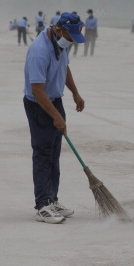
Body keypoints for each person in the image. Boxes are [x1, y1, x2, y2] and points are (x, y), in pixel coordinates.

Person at [23, 12, 85, 224]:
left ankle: (53, 198)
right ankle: (42, 205)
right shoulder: (39, 52)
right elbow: (37, 90)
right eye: (71, 37)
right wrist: (56, 116)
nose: (72, 41)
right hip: (39, 105)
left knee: (55, 151)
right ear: (58, 30)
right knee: (43, 153)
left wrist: (75, 93)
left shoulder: (60, 44)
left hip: (55, 100)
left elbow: (65, 68)